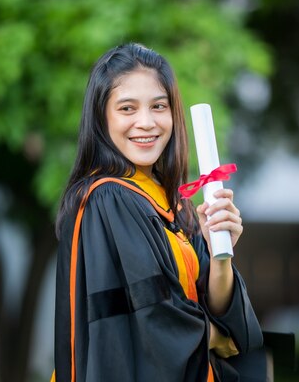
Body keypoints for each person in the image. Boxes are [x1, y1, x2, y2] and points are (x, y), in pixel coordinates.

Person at [53, 43, 265, 382]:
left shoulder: (174, 203)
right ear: (101, 116)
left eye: (159, 106)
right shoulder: (108, 198)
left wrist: (219, 252)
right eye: (127, 108)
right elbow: (154, 317)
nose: (146, 122)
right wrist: (216, 335)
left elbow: (217, 306)